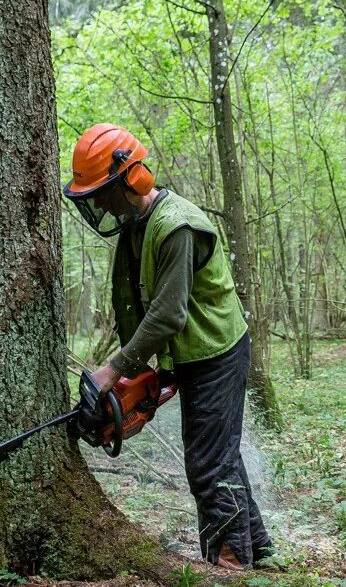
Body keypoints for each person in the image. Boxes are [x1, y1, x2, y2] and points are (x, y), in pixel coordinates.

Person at [63, 123, 275, 570]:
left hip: (216, 350)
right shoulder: (136, 228)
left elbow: (169, 313)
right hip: (192, 353)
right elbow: (138, 305)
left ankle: (232, 562)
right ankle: (257, 547)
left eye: (103, 192)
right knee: (218, 455)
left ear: (131, 179)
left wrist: (114, 369)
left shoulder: (175, 225)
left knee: (207, 462)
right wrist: (149, 374)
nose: (99, 203)